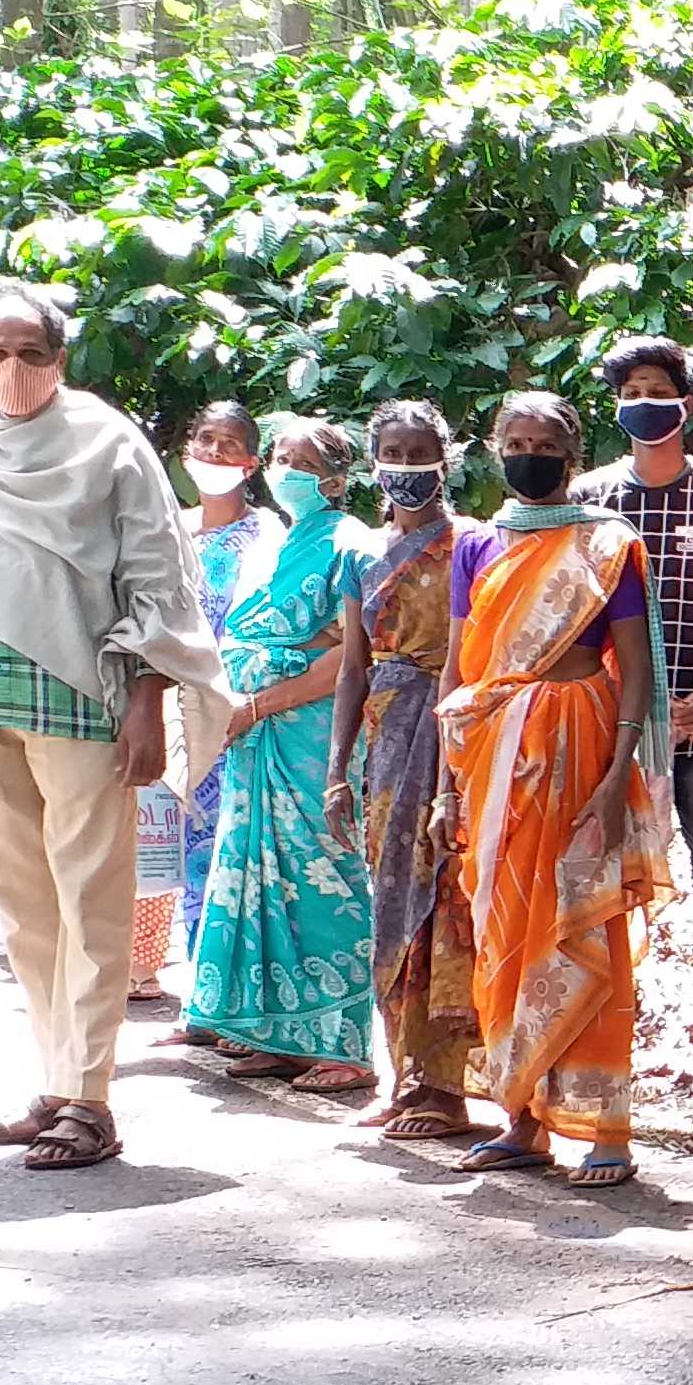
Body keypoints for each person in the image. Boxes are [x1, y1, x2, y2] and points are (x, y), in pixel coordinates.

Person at [0, 280, 226, 1171]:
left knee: (89, 896)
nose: (15, 369)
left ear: (59, 359)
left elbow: (154, 568)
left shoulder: (108, 440)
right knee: (23, 904)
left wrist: (146, 693)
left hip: (84, 687)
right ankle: (57, 1082)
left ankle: (94, 1099)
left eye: (33, 352)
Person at [441, 391, 668, 1181]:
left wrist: (618, 772)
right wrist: (445, 786)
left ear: (571, 457)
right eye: (516, 439)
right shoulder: (476, 546)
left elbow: (635, 666)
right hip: (491, 753)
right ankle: (524, 1117)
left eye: (545, 442)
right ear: (496, 448)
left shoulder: (607, 544)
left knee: (583, 919)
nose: (529, 453)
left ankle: (607, 1129)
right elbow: (458, 663)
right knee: (504, 925)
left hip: (580, 741)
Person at [186, 416, 377, 1092]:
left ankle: (346, 1044)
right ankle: (279, 1033)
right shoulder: (284, 542)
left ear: (334, 477)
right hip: (254, 741)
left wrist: (262, 703)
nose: (285, 470)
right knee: (259, 880)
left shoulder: (351, 545)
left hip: (308, 736)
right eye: (279, 457)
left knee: (326, 878)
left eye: (302, 461)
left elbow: (351, 656)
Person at [329, 401, 494, 1142]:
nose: (406, 466)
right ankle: (400, 1073)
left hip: (455, 730)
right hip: (388, 741)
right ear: (372, 462)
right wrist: (338, 769)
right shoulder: (360, 557)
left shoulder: (472, 545)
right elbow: (351, 670)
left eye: (420, 451)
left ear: (447, 458)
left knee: (450, 899)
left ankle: (446, 1083)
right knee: (391, 900)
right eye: (392, 451)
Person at [584, 333, 693, 954]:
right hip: (610, 729)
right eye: (631, 394)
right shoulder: (589, 500)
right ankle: (610, 1022)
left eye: (658, 393)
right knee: (603, 877)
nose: (644, 403)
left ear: (686, 405)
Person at [141, 400, 268, 1017]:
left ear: (252, 461)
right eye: (205, 439)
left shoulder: (268, 537)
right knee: (176, 850)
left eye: (229, 443)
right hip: (166, 707)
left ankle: (227, 998)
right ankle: (194, 991)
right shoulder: (168, 528)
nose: (214, 454)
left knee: (225, 852)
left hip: (234, 710)